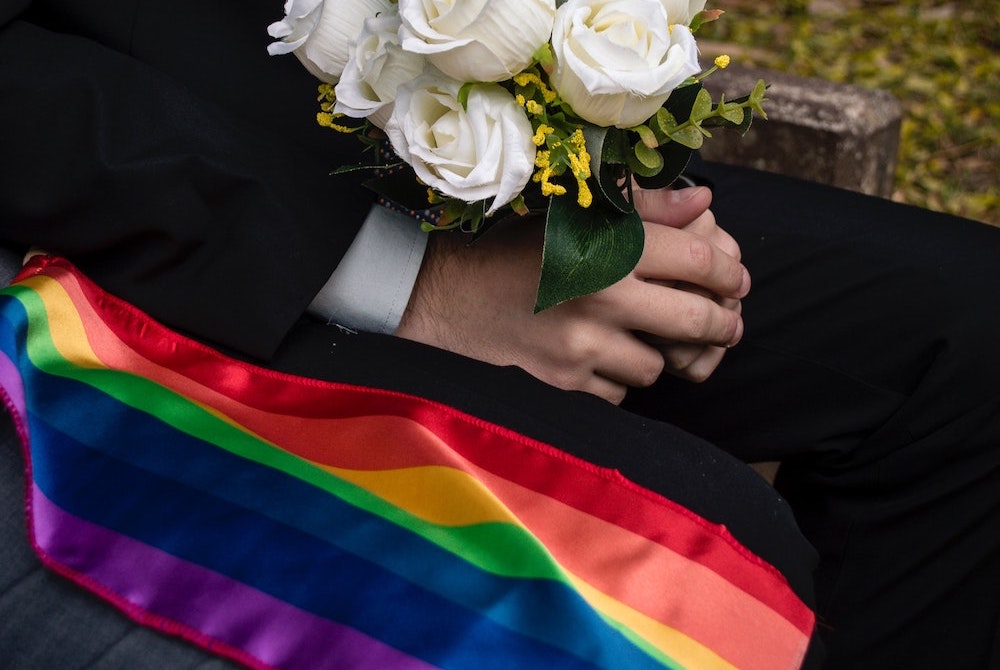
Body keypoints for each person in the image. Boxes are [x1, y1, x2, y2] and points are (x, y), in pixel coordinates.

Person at [0, 1, 997, 669]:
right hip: (103, 225)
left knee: (967, 337)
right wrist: (403, 281)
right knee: (683, 565)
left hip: (363, 141)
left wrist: (600, 143)